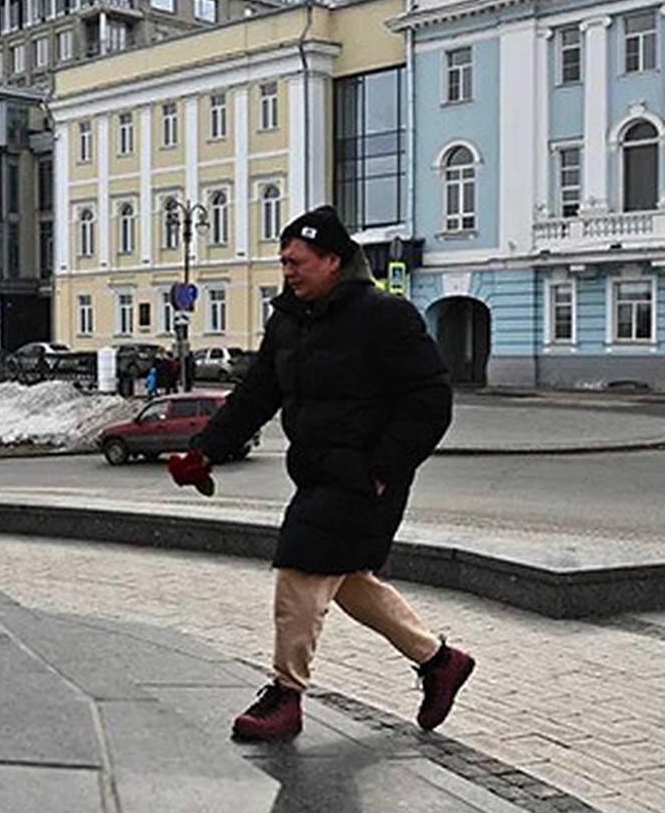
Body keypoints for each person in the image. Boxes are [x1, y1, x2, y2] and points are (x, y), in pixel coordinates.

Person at [167, 205, 474, 742]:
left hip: (366, 479)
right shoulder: (288, 320)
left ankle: (286, 697)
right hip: (317, 474)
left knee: (302, 569)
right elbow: (257, 394)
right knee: (351, 585)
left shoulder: (385, 316)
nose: (287, 270)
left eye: (296, 261)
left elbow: (430, 399)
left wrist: (383, 467)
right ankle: (440, 661)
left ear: (333, 260)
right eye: (283, 261)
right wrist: (206, 450)